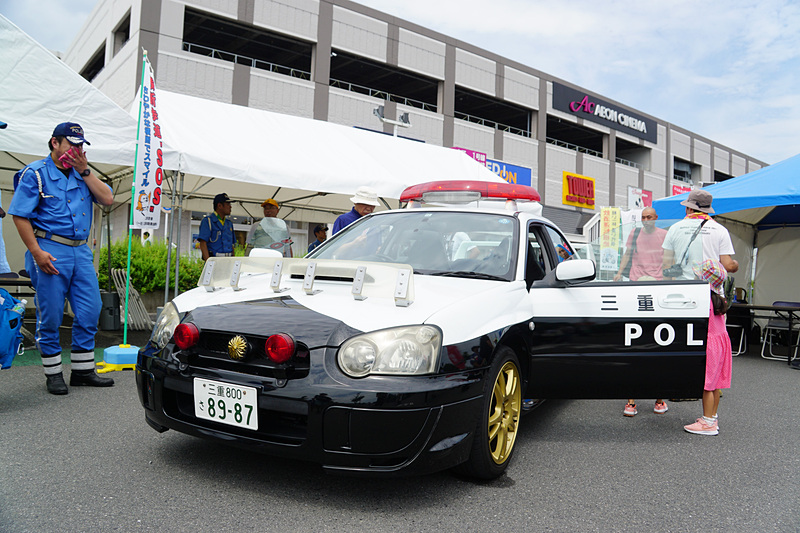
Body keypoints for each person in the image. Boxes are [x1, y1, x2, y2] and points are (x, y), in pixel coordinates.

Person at [9, 122, 115, 395]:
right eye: (71, 144)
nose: (77, 150)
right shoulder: (36, 173)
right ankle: (53, 373)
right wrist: (36, 251)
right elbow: (19, 215)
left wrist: (85, 170)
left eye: (81, 145)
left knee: (91, 310)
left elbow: (107, 198)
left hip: (80, 251)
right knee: (52, 314)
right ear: (55, 143)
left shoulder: (83, 173)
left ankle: (82, 371)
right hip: (49, 248)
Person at [684, 260, 732, 436]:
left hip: (711, 345)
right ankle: (712, 417)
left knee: (708, 385)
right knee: (716, 384)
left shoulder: (705, 300)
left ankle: (707, 423)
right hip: (722, 343)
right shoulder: (719, 299)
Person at [662, 189, 739, 279]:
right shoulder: (720, 230)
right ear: (707, 209)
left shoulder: (675, 228)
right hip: (710, 288)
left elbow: (666, 264)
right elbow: (728, 266)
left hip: (683, 287)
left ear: (689, 208)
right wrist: (735, 264)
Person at [614, 207, 667, 282]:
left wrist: (670, 278)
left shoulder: (664, 234)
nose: (646, 221)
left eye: (649, 217)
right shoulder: (635, 232)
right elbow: (627, 254)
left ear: (656, 217)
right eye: (643, 218)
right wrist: (619, 273)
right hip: (636, 277)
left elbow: (669, 258)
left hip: (657, 278)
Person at [198, 193, 235, 261]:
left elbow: (231, 246)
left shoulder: (229, 223)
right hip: (215, 259)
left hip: (228, 260)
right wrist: (208, 263)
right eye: (228, 204)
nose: (230, 207)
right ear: (219, 205)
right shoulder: (208, 221)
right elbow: (203, 243)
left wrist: (233, 261)